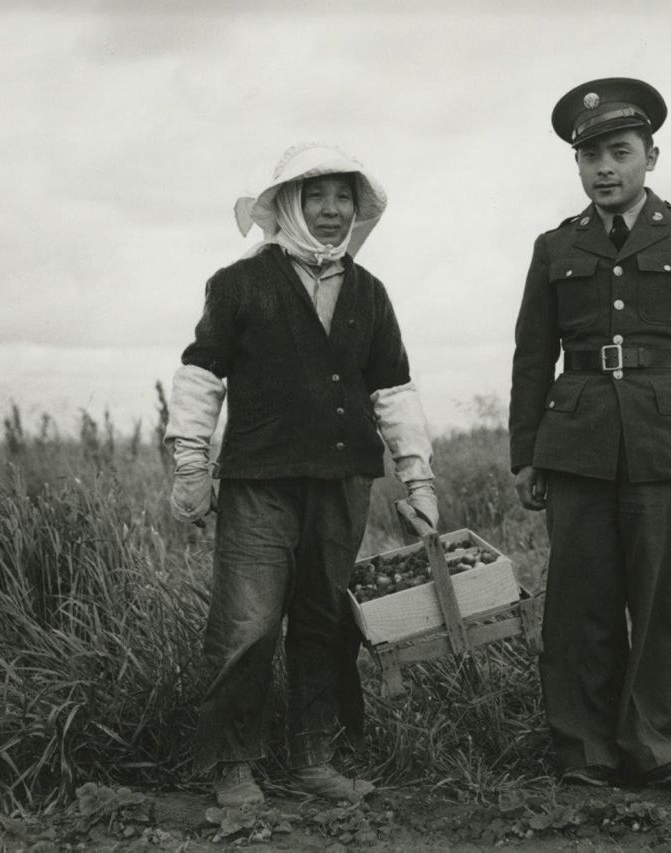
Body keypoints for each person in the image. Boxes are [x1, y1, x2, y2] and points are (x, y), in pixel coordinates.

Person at [164, 143, 438, 806]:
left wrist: (418, 476)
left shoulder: (369, 292)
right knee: (249, 622)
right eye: (316, 196)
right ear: (287, 203)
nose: (331, 210)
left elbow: (393, 389)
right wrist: (192, 463)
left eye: (342, 197)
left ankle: (311, 759)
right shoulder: (238, 284)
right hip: (261, 480)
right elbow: (201, 374)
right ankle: (232, 762)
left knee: (323, 620)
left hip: (343, 480)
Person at [509, 79, 671, 791]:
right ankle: (584, 751)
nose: (604, 168)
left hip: (666, 440)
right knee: (579, 603)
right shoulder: (555, 245)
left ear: (651, 156)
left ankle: (653, 749)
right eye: (590, 158)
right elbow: (530, 356)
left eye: (619, 152)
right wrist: (525, 452)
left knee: (658, 600)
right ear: (577, 168)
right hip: (576, 442)